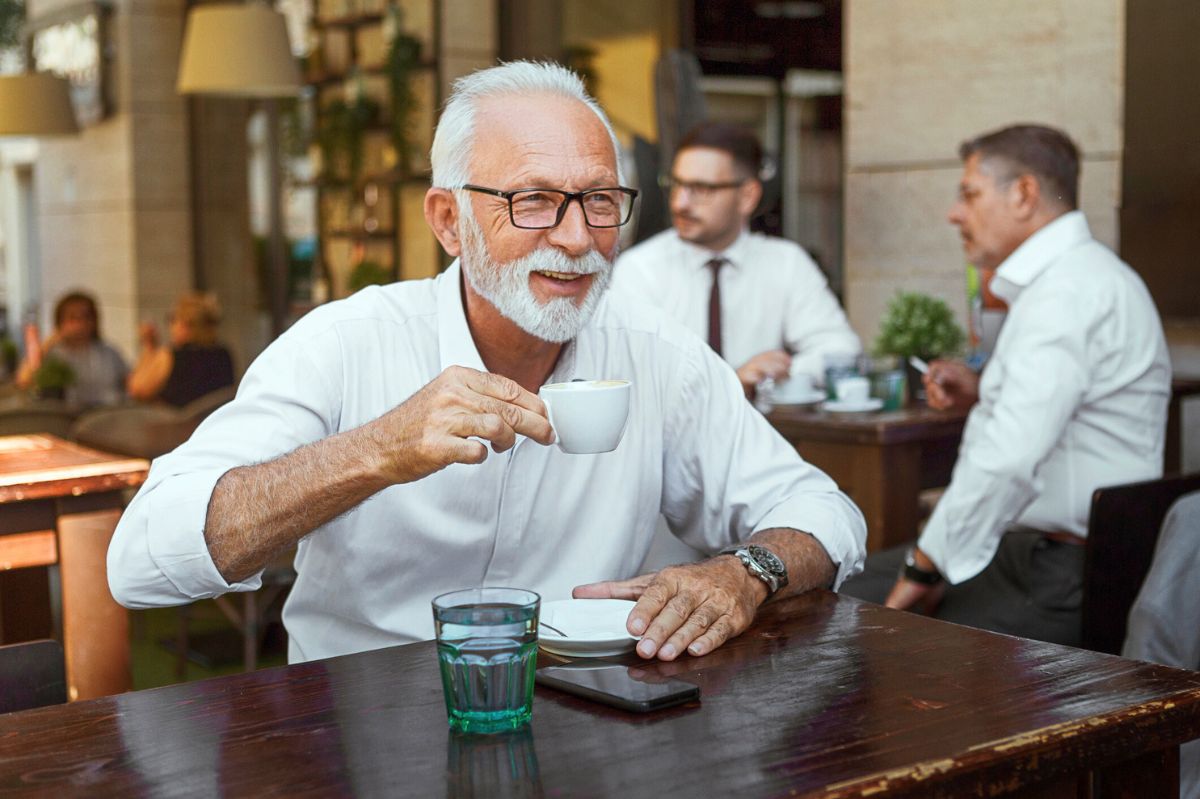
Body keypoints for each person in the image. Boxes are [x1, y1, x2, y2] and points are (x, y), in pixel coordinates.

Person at [108, 62, 866, 664]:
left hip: (593, 721)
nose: (576, 237)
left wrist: (743, 573)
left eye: (600, 201)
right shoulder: (344, 342)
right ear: (449, 220)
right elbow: (142, 559)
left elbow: (827, 514)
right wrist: (375, 450)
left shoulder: (654, 351)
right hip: (356, 735)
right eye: (534, 200)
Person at [840, 124, 1171, 646]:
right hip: (1058, 558)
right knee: (846, 589)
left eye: (969, 194)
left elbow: (1007, 459)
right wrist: (984, 388)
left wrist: (926, 567)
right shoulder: (1084, 278)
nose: (954, 213)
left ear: (1023, 194)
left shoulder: (1065, 293)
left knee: (845, 617)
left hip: (1050, 572)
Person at [613, 121, 859, 396]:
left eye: (701, 189)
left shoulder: (786, 263)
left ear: (747, 196)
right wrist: (732, 381)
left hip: (762, 434)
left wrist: (772, 373)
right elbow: (630, 372)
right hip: (668, 436)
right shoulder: (640, 269)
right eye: (676, 184)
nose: (679, 203)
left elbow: (841, 349)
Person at [15, 291, 128, 408]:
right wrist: (53, 338)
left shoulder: (109, 353)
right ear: (60, 322)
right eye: (72, 318)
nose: (80, 323)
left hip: (104, 416)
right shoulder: (53, 354)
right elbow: (23, 380)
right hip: (65, 418)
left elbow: (129, 384)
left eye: (86, 317)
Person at [127, 292, 235, 407]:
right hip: (212, 422)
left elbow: (137, 389)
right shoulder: (223, 354)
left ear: (185, 325)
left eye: (172, 319)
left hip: (177, 423)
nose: (170, 326)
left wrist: (149, 347)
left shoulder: (170, 356)